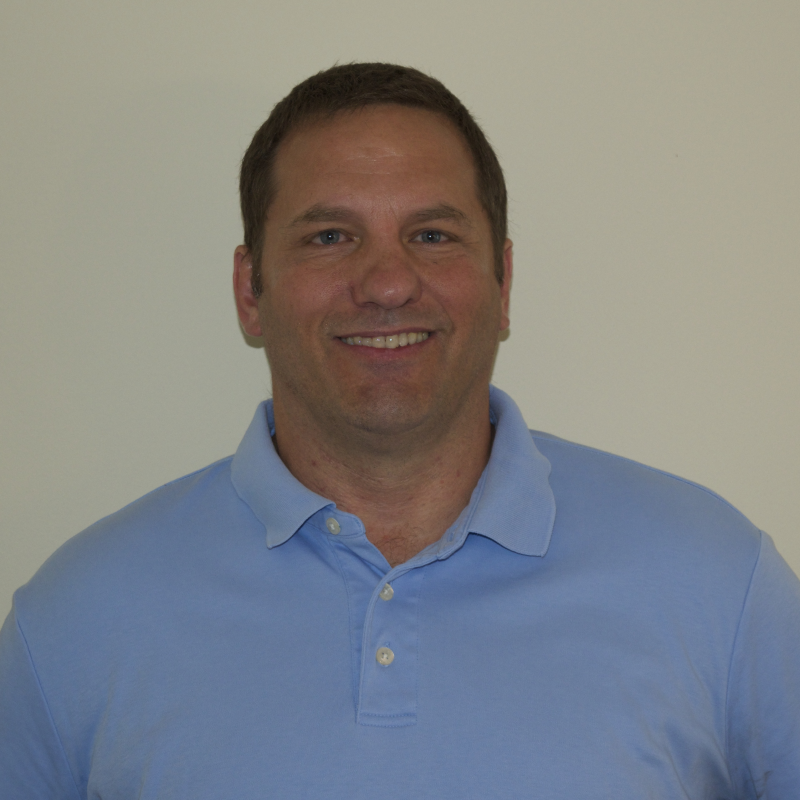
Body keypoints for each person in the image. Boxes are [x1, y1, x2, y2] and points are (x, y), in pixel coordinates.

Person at [1, 63, 798, 800]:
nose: (387, 283)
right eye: (330, 236)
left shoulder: (720, 587)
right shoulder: (76, 621)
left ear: (503, 281)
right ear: (251, 290)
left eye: (432, 235)